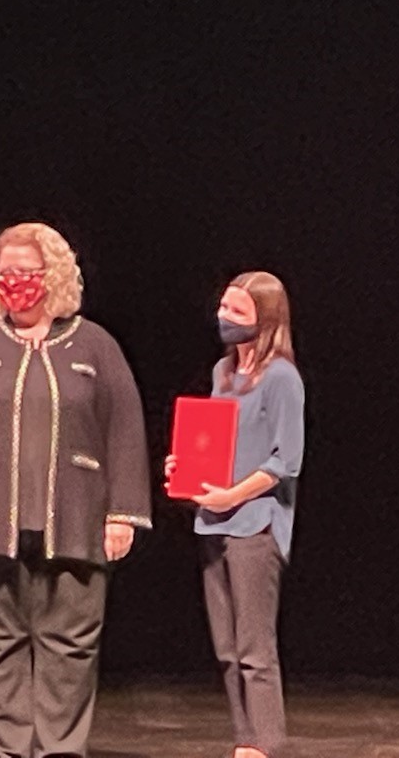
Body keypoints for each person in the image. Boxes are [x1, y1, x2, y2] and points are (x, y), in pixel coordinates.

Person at [0, 221, 152, 758]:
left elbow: (125, 430)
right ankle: (6, 750)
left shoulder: (95, 345)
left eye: (25, 271)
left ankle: (60, 749)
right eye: (4, 272)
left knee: (71, 643)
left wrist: (123, 512)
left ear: (55, 276)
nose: (13, 282)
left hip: (75, 519)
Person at [164, 271, 305, 758]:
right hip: (214, 520)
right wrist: (184, 465)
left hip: (254, 524)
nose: (225, 317)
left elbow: (286, 461)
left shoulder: (281, 378)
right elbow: (217, 442)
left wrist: (234, 495)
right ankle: (244, 738)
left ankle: (266, 744)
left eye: (237, 310)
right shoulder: (223, 372)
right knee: (226, 646)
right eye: (224, 306)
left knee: (253, 646)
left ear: (265, 319)